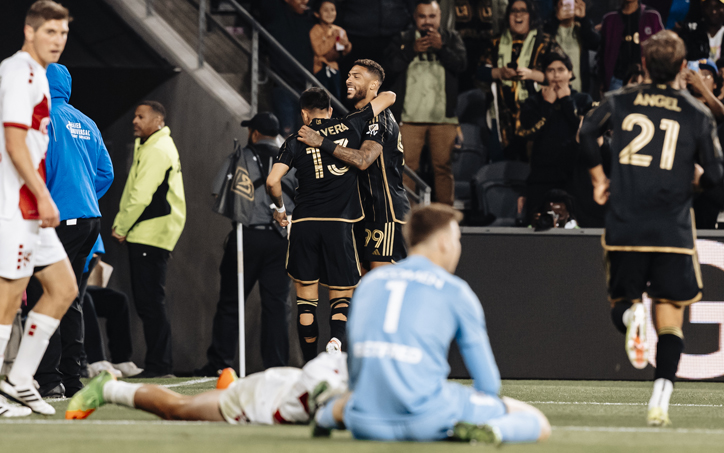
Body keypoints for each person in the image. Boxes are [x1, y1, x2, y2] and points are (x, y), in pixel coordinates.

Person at [311, 204, 551, 444]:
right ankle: (492, 430)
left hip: (366, 423)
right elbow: (488, 384)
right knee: (537, 421)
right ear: (445, 242)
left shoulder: (369, 283)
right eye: (457, 239)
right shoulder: (456, 291)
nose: (458, 247)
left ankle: (324, 415)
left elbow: (356, 370)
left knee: (350, 400)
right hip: (428, 420)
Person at [580, 30, 724, 426]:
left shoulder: (620, 101)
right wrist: (694, 182)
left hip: (626, 225)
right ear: (682, 68)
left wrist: (598, 179)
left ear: (643, 65)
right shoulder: (697, 114)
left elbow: (588, 131)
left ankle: (631, 319)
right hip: (672, 231)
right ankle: (659, 400)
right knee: (671, 317)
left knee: (621, 304)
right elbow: (716, 174)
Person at [266, 87, 395, 362]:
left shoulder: (294, 140)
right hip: (340, 223)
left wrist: (279, 209)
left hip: (304, 224)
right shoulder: (351, 123)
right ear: (330, 110)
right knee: (341, 294)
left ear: (304, 114)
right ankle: (335, 341)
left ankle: (310, 364)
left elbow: (272, 181)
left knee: (306, 301)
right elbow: (389, 97)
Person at [0, 0, 76, 417]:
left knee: (63, 288)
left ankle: (19, 380)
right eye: (50, 32)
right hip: (13, 203)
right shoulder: (17, 71)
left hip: (30, 204)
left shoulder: (42, 76)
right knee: (7, 300)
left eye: (63, 34)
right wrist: (44, 196)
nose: (58, 40)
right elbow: (13, 144)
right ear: (30, 32)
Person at [29, 62, 114, 398]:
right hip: (90, 219)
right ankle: (72, 379)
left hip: (58, 220)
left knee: (45, 297)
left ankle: (48, 380)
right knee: (71, 298)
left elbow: (37, 168)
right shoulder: (87, 122)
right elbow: (105, 172)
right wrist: (83, 194)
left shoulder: (43, 118)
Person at [197, 112, 297, 376]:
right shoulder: (291, 157)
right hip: (281, 238)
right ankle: (275, 367)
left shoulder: (240, 156)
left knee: (231, 301)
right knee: (277, 305)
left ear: (253, 133)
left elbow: (218, 191)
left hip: (247, 237)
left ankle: (220, 363)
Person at [299, 60, 411, 270]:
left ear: (373, 85)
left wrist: (321, 142)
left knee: (380, 285)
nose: (348, 80)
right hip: (363, 213)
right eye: (348, 75)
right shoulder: (355, 120)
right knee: (359, 286)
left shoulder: (379, 118)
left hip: (384, 212)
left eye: (356, 76)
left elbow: (363, 160)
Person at [112, 101, 186, 378]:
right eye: (134, 115)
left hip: (149, 233)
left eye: (141, 116)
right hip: (154, 233)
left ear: (157, 121)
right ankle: (159, 364)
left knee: (150, 302)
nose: (135, 120)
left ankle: (159, 365)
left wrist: (121, 226)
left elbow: (141, 195)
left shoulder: (156, 149)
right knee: (151, 300)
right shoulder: (155, 145)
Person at [65, 351, 347, 424]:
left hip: (284, 387)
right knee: (177, 409)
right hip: (264, 400)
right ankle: (108, 389)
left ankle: (233, 387)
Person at [384, 0, 466, 206]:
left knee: (443, 169)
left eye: (432, 16)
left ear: (439, 17)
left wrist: (442, 48)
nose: (427, 22)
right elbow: (389, 68)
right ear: (415, 17)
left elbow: (462, 66)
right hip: (409, 118)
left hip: (443, 118)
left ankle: (445, 221)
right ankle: (407, 220)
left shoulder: (451, 38)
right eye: (422, 16)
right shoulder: (402, 38)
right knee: (406, 169)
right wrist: (411, 50)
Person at [477, 0, 561, 161]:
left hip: (536, 114)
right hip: (502, 117)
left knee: (532, 163)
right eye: (513, 11)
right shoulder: (496, 41)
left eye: (523, 11)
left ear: (531, 16)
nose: (518, 15)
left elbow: (562, 75)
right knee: (502, 165)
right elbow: (480, 72)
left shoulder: (545, 42)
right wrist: (500, 72)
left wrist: (531, 75)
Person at [516, 51, 593, 221]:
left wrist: (566, 101)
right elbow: (529, 135)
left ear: (570, 74)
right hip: (541, 176)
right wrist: (546, 105)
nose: (556, 75)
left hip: (574, 176)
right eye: (551, 70)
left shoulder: (582, 100)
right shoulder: (533, 103)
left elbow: (586, 133)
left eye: (561, 69)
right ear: (544, 74)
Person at [257, 0, 315, 136]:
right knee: (287, 139)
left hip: (307, 87)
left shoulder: (312, 19)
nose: (305, 1)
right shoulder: (276, 14)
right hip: (283, 86)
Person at [598, 0, 664, 92]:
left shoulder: (652, 16)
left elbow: (662, 50)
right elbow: (602, 53)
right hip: (616, 79)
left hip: (647, 80)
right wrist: (603, 81)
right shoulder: (610, 19)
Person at [543, 0, 600, 95]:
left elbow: (595, 44)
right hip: (552, 92)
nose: (568, 6)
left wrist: (583, 19)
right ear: (556, 6)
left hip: (579, 92)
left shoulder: (581, 29)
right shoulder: (548, 28)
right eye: (564, 3)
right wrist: (556, 20)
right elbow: (542, 47)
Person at [310, 0, 352, 100]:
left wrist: (346, 45)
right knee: (321, 98)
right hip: (320, 68)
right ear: (317, 14)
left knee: (335, 97)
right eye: (325, 10)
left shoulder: (339, 30)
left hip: (334, 69)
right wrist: (332, 38)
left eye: (333, 10)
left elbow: (342, 51)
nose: (330, 13)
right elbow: (319, 51)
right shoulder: (315, 30)